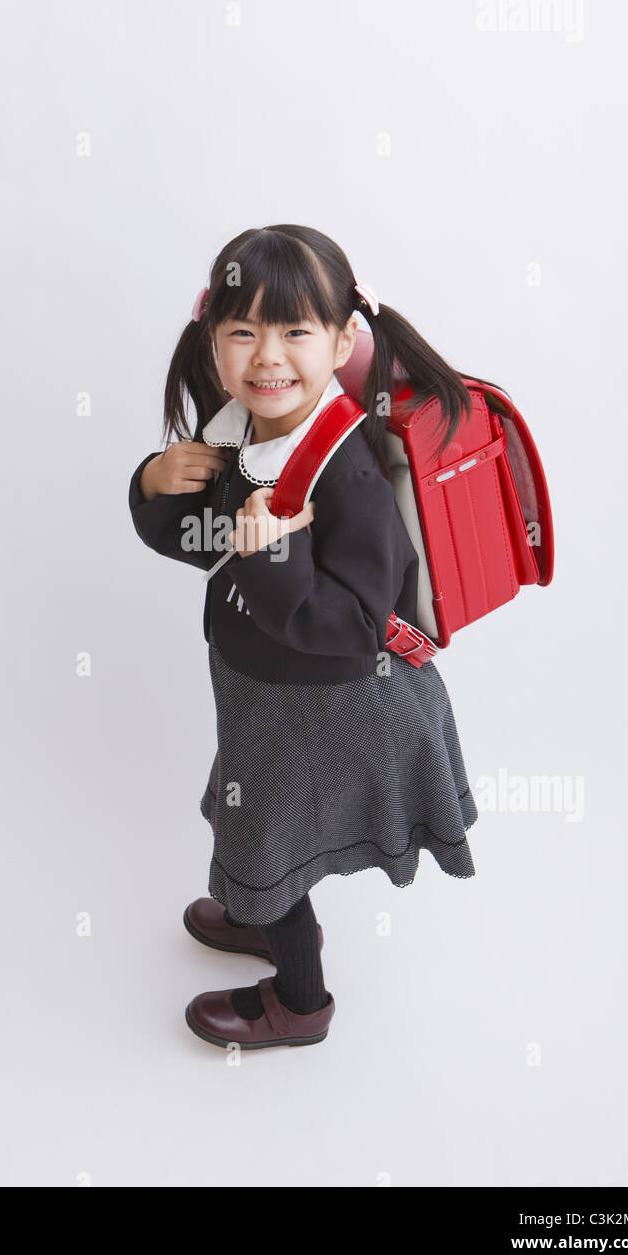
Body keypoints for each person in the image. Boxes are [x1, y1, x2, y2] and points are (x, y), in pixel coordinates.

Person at [128, 223, 480, 1051]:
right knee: (249, 804)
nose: (267, 356)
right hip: (262, 685)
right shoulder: (238, 430)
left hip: (332, 704)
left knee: (267, 836)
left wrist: (276, 552)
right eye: (243, 331)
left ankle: (298, 999)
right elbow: (202, 548)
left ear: (343, 338)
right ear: (211, 337)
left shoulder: (345, 469)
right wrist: (155, 487)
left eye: (295, 331)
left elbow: (357, 627)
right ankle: (261, 906)